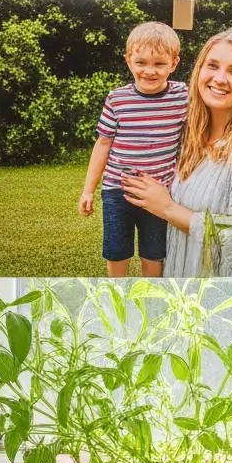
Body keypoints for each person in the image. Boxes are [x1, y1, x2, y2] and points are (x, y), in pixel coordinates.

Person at [124, 28, 232, 278]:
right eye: (212, 66)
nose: (220, 78)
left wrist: (168, 208)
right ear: (199, 71)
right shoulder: (190, 137)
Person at [78, 21, 189, 277]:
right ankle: (117, 298)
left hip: (158, 192)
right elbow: (103, 143)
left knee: (154, 252)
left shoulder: (182, 96)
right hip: (118, 192)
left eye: (159, 64)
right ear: (129, 61)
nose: (149, 71)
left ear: (173, 64)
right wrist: (88, 190)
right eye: (141, 63)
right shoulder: (117, 99)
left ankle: (152, 300)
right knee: (117, 252)